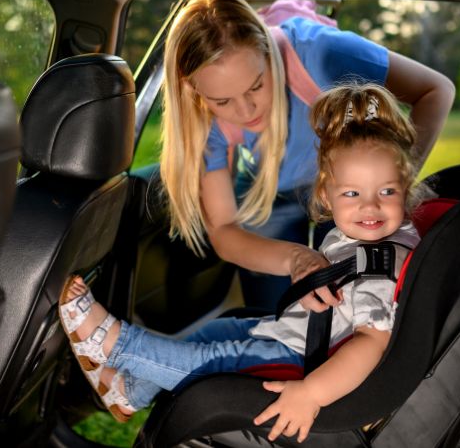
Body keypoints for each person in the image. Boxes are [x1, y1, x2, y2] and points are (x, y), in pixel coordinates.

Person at [59, 83, 428, 442]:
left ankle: (117, 344)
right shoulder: (365, 236)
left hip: (305, 359)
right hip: (297, 333)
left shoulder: (381, 262)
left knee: (211, 358)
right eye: (352, 192)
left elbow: (371, 343)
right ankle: (131, 391)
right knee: (212, 333)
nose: (370, 206)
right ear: (326, 196)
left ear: (406, 187)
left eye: (387, 191)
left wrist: (311, 393)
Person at [159, 0, 454, 311]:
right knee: (276, 313)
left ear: (269, 54)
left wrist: (395, 180)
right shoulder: (200, 116)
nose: (245, 111)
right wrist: (295, 259)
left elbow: (436, 90)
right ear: (194, 91)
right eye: (223, 102)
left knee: (354, 306)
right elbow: (224, 230)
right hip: (271, 189)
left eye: (256, 86)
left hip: (348, 186)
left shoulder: (322, 51)